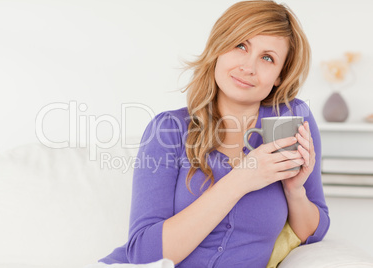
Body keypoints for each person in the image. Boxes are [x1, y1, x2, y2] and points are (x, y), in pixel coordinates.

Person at [99, 0, 330, 267]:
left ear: (280, 75)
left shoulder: (289, 120)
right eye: (240, 45)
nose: (248, 67)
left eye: (268, 58)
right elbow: (143, 254)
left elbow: (313, 231)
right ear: (219, 47)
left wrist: (294, 191)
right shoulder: (168, 130)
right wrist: (243, 178)